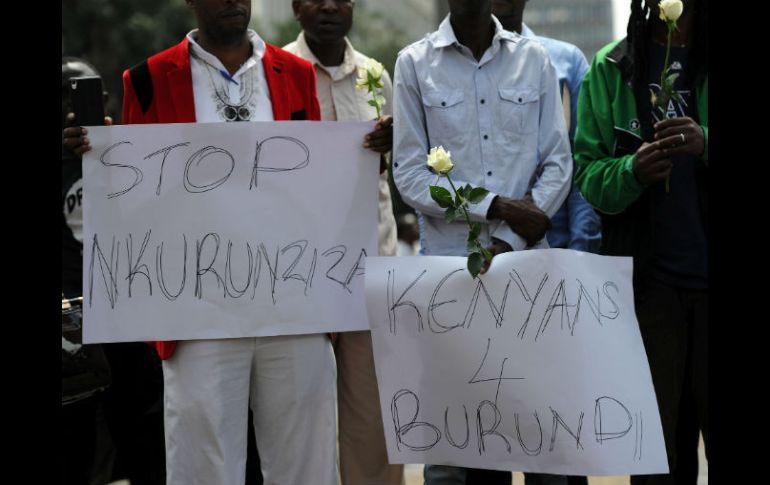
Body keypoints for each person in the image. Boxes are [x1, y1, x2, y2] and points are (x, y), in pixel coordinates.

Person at [63, 1, 337, 484]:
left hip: (293, 297)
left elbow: (317, 176)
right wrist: (107, 155)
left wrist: (368, 149)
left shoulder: (295, 73)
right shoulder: (146, 79)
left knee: (306, 460)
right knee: (202, 462)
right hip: (195, 306)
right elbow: (139, 197)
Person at [392, 1, 572, 483]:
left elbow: (558, 161)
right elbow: (409, 174)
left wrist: (509, 237)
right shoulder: (413, 63)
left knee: (543, 441)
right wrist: (494, 206)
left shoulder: (534, 58)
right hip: (452, 280)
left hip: (526, 273)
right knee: (459, 450)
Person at [573, 1, 708, 484]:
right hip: (647, 294)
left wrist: (703, 141)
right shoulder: (611, 66)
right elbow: (587, 172)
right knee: (656, 459)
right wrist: (631, 171)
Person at [284, 1, 404, 484]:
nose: (329, 6)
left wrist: (393, 144)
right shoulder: (277, 72)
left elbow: (390, 173)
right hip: (297, 270)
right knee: (299, 410)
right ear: (295, 6)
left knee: (373, 411)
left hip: (370, 264)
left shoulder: (377, 75)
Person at [62, 56, 167, 485]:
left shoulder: (130, 156)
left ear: (103, 100)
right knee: (76, 449)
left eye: (82, 94)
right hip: (72, 332)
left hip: (129, 323)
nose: (71, 108)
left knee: (144, 440)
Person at [492, 0, 600, 255]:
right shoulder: (444, 67)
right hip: (474, 255)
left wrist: (580, 249)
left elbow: (583, 164)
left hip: (554, 249)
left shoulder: (567, 61)